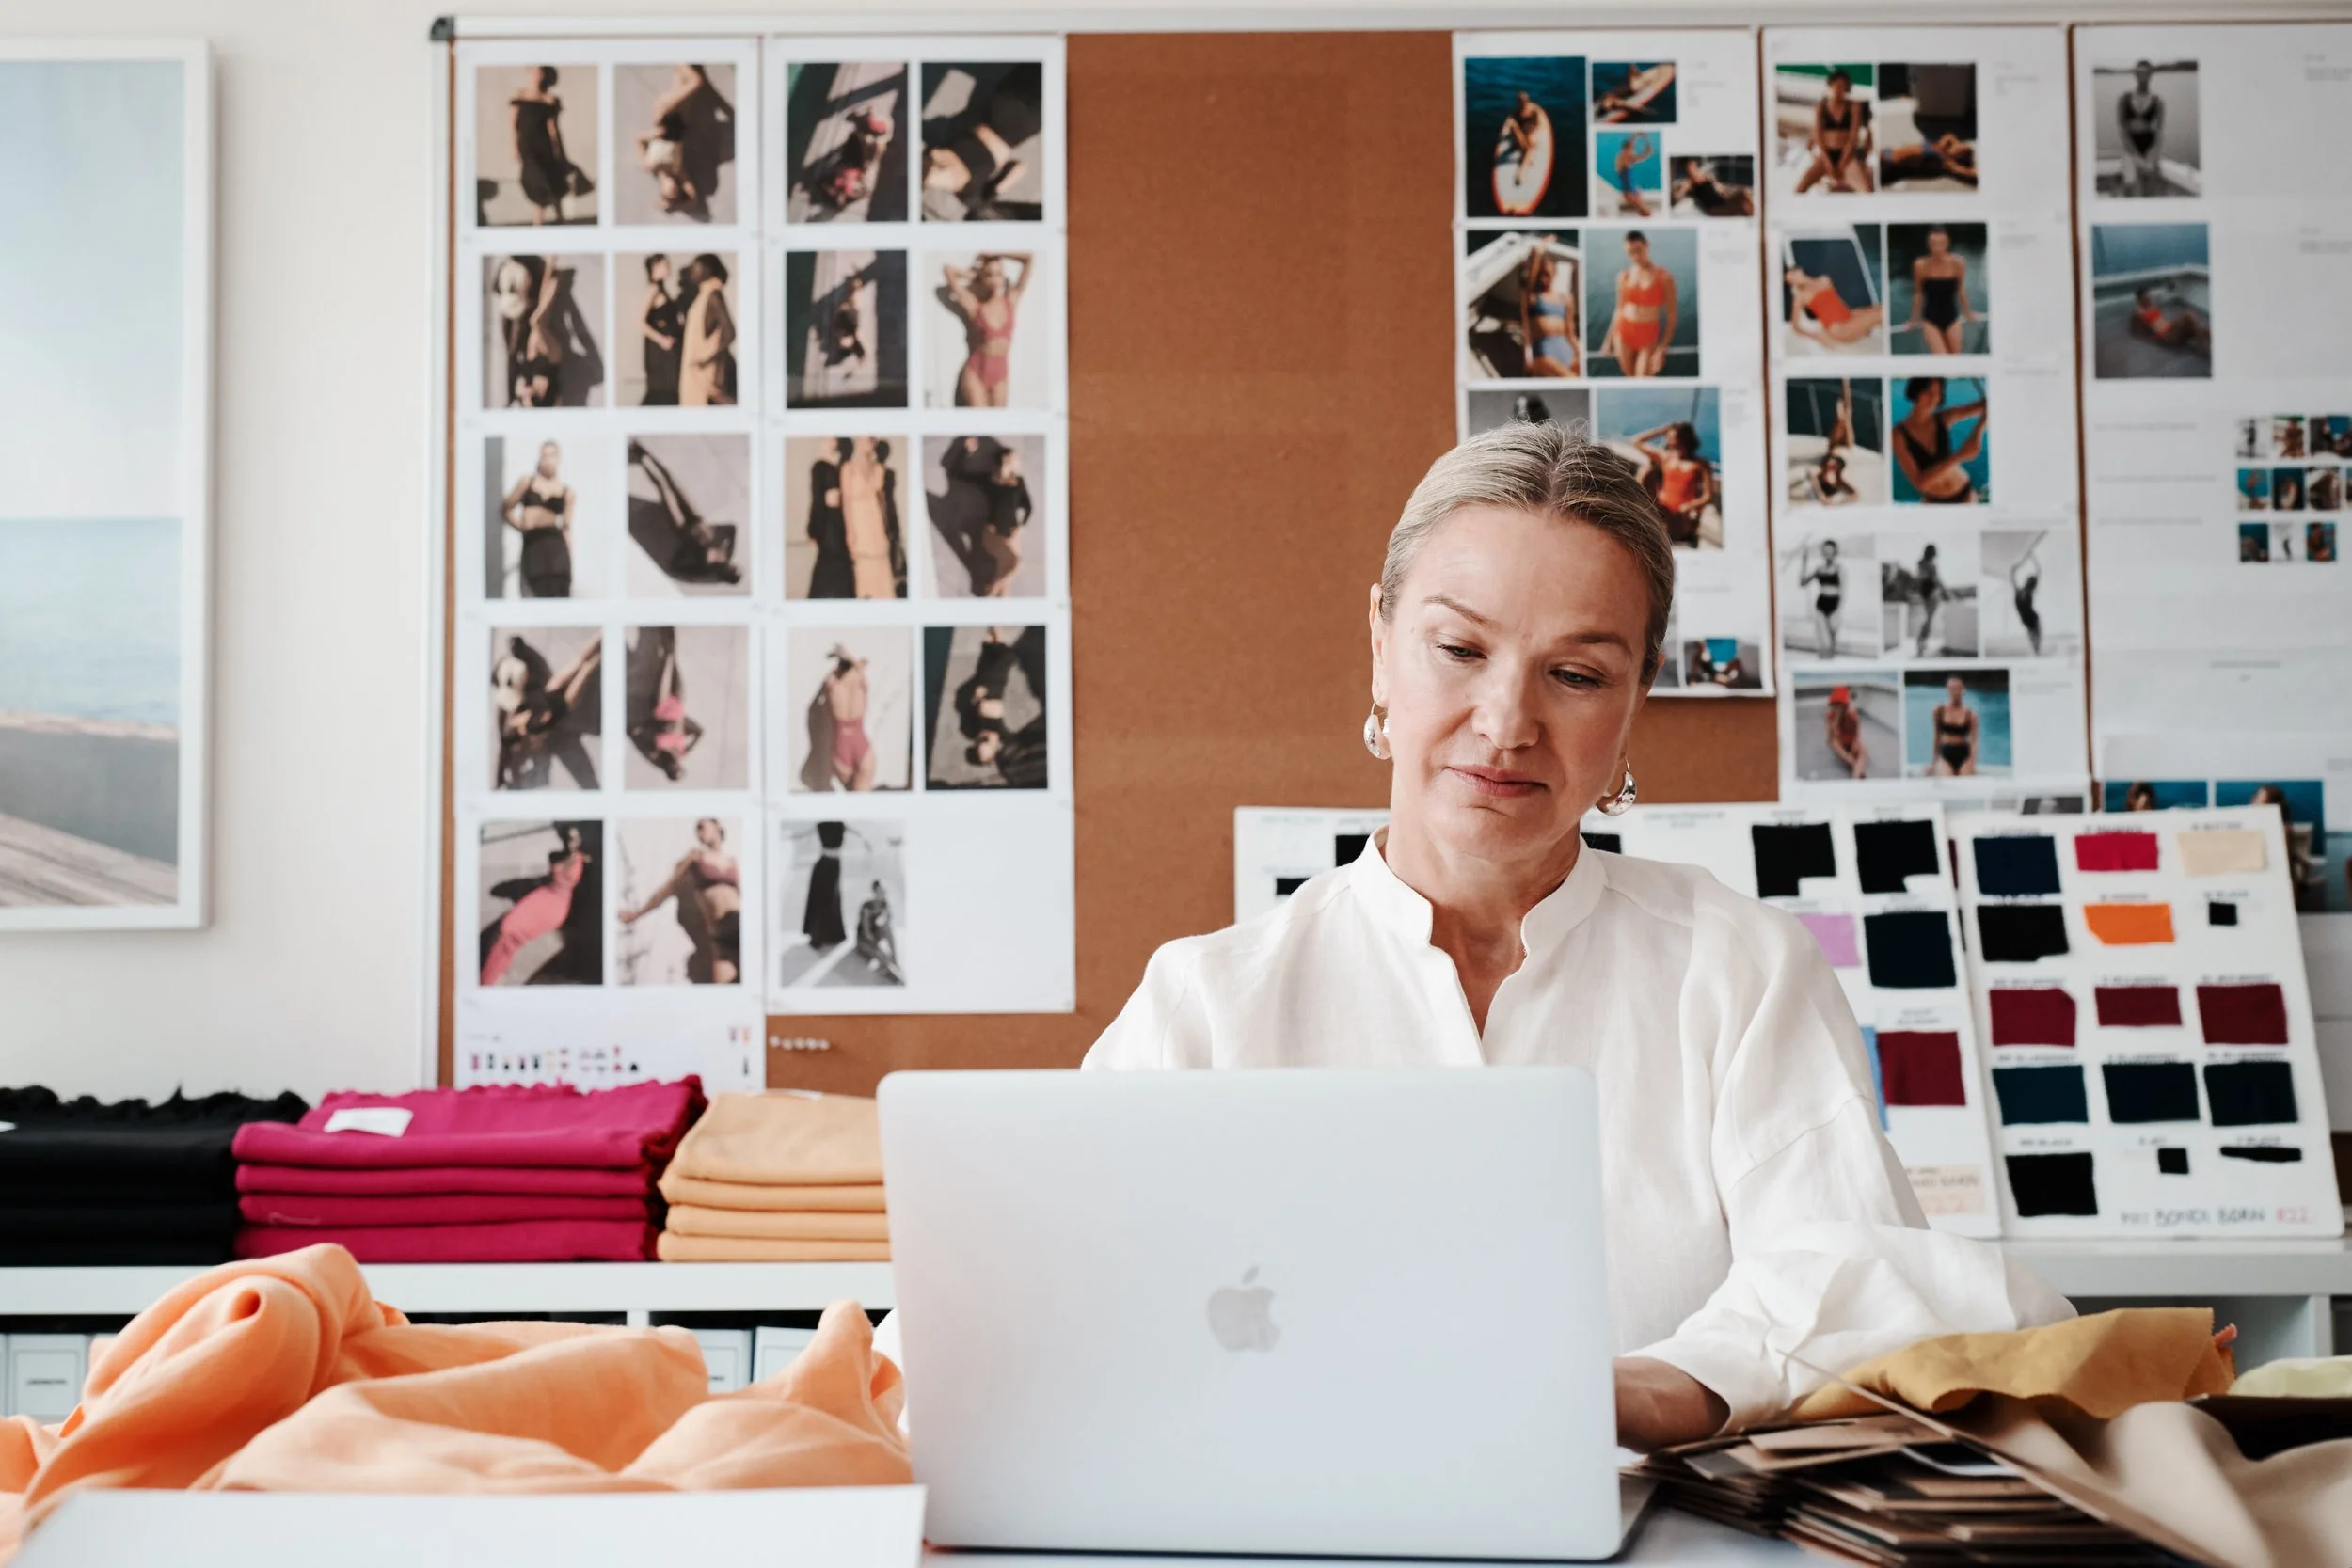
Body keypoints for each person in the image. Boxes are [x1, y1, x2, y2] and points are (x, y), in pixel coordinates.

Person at [1080, 422, 2071, 1451]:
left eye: (1579, 675)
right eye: (1459, 649)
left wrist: (1662, 1385)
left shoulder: (1737, 970)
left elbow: (1871, 1276)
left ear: (1637, 697)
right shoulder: (1206, 1002)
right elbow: (1057, 1302)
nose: (1506, 720)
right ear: (1379, 646)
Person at [619, 817, 741, 984]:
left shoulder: (733, 861)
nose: (698, 833)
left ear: (717, 826)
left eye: (701, 827)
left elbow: (745, 895)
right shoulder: (695, 857)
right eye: (696, 830)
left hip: (740, 923)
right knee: (724, 991)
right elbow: (667, 889)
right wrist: (637, 914)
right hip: (720, 931)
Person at [922, 67, 1041, 221]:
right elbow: (1019, 168)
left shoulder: (974, 198)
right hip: (1002, 108)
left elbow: (1018, 168)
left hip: (1018, 126)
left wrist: (996, 188)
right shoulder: (967, 192)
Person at [480, 824, 591, 986]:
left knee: (509, 930)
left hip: (555, 906)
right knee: (505, 929)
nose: (571, 842)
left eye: (574, 839)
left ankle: (488, 979)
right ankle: (494, 970)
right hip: (544, 894)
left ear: (580, 840)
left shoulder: (582, 858)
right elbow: (552, 875)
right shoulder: (559, 853)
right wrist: (537, 882)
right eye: (568, 838)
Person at [493, 633, 600, 790]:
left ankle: (605, 636)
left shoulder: (514, 736)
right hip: (555, 703)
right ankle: (605, 640)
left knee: (582, 664)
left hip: (554, 700)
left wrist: (503, 780)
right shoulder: (524, 739)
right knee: (585, 666)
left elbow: (506, 758)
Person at [629, 439, 741, 585]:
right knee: (674, 483)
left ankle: (641, 459)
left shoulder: (705, 569)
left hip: (682, 527)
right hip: (697, 518)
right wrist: (710, 531)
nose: (729, 565)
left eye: (730, 570)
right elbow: (733, 528)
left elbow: (676, 567)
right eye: (733, 567)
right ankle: (645, 454)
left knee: (665, 490)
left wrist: (686, 546)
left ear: (724, 575)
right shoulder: (726, 553)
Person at [636, 64, 728, 219]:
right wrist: (676, 206)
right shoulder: (679, 172)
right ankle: (684, 53)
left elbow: (638, 139)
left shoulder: (650, 166)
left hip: (663, 116)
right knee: (681, 78)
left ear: (662, 192)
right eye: (677, 193)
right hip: (680, 120)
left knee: (696, 82)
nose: (674, 190)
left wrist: (655, 135)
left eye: (669, 194)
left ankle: (678, 57)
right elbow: (693, 201)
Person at [944, 254, 1032, 407]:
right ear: (982, 278)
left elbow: (1029, 259)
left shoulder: (1011, 300)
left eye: (998, 274)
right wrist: (974, 275)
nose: (994, 280)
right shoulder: (974, 305)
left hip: (1001, 374)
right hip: (976, 372)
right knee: (976, 429)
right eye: (989, 275)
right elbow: (948, 271)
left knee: (997, 428)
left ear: (1004, 277)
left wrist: (994, 252)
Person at [508, 67, 585, 225]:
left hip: (545, 147)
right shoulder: (520, 96)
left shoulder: (549, 100)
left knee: (553, 181)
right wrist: (514, 148)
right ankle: (539, 225)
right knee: (536, 183)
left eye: (540, 72)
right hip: (528, 147)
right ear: (529, 73)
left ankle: (559, 220)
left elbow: (553, 129)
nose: (537, 75)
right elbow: (512, 125)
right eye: (534, 71)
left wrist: (559, 152)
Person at [500, 440, 576, 598]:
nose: (548, 459)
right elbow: (506, 509)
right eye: (544, 455)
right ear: (539, 458)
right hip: (533, 546)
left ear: (559, 458)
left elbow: (567, 528)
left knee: (558, 593)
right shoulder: (528, 482)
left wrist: (570, 562)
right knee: (533, 593)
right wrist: (521, 526)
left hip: (556, 548)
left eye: (552, 455)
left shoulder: (567, 491)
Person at [1894, 377, 1985, 505]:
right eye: (1928, 392)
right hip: (1934, 502)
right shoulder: (1898, 434)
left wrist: (1977, 433)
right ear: (1916, 391)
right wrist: (1960, 455)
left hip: (1965, 494)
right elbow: (1921, 483)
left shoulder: (1944, 418)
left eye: (1938, 393)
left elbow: (1987, 406)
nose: (1933, 399)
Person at [628, 629, 704, 783]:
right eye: (677, 768)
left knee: (665, 663)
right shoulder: (680, 752)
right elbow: (698, 731)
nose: (674, 766)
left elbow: (636, 733)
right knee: (672, 660)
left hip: (661, 704)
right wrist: (681, 723)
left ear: (667, 771)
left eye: (672, 770)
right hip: (677, 703)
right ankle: (668, 629)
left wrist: (656, 725)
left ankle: (657, 631)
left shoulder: (655, 755)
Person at [835, 436, 905, 599]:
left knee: (881, 566)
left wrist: (888, 528)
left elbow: (883, 504)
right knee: (863, 569)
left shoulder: (879, 469)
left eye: (872, 440)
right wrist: (850, 531)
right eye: (865, 439)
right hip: (859, 522)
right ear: (858, 441)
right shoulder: (848, 468)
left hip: (876, 523)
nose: (868, 443)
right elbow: (846, 502)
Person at [1601, 231, 1676, 379]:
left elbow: (1671, 316)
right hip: (1623, 334)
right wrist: (1608, 342)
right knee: (1630, 379)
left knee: (1644, 379)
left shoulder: (1664, 277)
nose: (1635, 257)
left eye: (1638, 251)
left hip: (1648, 336)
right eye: (1630, 253)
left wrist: (1662, 349)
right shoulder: (1623, 276)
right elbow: (1619, 309)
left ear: (1647, 247)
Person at [1628, 421, 1714, 546]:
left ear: (1683, 439)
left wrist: (1690, 505)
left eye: (1671, 437)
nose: (1667, 439)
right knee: (1646, 472)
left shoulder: (1701, 465)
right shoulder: (1666, 458)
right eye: (1667, 436)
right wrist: (1662, 430)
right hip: (1661, 508)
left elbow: (1707, 496)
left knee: (1665, 531)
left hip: (1682, 513)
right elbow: (1636, 441)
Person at [1795, 69, 1872, 193]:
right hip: (1826, 154)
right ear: (1830, 85)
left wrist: (1841, 163)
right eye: (1836, 84)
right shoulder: (1821, 106)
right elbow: (1818, 136)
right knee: (1799, 189)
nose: (1839, 88)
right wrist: (1828, 162)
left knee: (1867, 190)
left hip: (1847, 156)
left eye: (1843, 85)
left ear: (1847, 88)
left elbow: (1853, 138)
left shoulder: (1853, 106)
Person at [1905, 226, 1979, 355]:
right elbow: (1918, 294)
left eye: (1940, 244)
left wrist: (1968, 313)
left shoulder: (1958, 263)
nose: (1937, 248)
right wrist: (1913, 320)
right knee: (1941, 359)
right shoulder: (1920, 265)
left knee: (1955, 358)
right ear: (1928, 244)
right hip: (1930, 319)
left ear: (1947, 243)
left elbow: (1961, 290)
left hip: (1952, 317)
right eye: (1933, 244)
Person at [818, 644, 878, 792]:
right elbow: (860, 666)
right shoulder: (861, 680)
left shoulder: (832, 684)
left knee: (850, 802)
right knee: (862, 801)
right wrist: (853, 661)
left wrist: (839, 660)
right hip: (861, 743)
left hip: (841, 744)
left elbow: (820, 697)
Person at [678, 254, 736, 407]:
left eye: (696, 266)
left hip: (705, 375)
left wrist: (706, 361)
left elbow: (729, 333)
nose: (692, 270)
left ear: (707, 270)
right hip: (696, 372)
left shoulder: (713, 294)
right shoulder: (703, 295)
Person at [977, 444, 1033, 596]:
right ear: (1002, 459)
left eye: (1014, 459)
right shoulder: (990, 481)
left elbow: (1029, 508)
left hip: (1012, 534)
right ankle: (990, 594)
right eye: (1010, 458)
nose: (1013, 461)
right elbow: (961, 475)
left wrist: (1021, 528)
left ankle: (992, 598)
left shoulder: (1018, 482)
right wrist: (968, 453)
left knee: (1006, 578)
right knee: (1014, 563)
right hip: (993, 533)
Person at [1785, 263, 1883, 348]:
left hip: (1848, 317)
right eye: (1791, 280)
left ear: (1799, 270)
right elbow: (1796, 327)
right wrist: (1817, 338)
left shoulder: (1824, 280)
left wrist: (1858, 316)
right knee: (1882, 313)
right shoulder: (1801, 296)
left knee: (1881, 308)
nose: (1794, 280)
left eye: (1793, 275)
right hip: (1838, 329)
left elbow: (1837, 302)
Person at [1518, 248, 1578, 376]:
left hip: (1566, 350)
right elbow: (1528, 281)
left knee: (1584, 372)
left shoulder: (1565, 299)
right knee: (1572, 380)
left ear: (1555, 273)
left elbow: (1571, 333)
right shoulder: (1532, 297)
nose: (1543, 279)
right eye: (1541, 275)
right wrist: (1539, 252)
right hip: (1544, 354)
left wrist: (1579, 353)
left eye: (1547, 274)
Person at [637, 255, 683, 405]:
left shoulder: (661, 288)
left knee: (669, 391)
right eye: (665, 264)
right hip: (660, 353)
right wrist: (662, 340)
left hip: (667, 352)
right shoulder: (653, 288)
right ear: (655, 267)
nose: (669, 266)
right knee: (662, 391)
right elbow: (639, 322)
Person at [2117, 62, 2166, 196]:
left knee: (2149, 188)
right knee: (2130, 184)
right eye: (2139, 73)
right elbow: (2122, 131)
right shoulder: (2124, 99)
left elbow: (2160, 132)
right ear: (2135, 74)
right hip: (2130, 150)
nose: (2142, 77)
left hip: (2149, 150)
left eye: (2146, 73)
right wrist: (2137, 158)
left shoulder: (2158, 101)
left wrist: (2151, 157)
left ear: (2151, 75)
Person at [803, 821, 849, 950]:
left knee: (832, 901)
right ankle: (818, 936)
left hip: (833, 866)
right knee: (821, 901)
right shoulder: (822, 824)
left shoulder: (840, 824)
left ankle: (830, 935)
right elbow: (802, 834)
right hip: (823, 866)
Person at [2130, 286, 2211, 357]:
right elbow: (2135, 331)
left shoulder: (2151, 304)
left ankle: (2213, 341)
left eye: (2148, 296)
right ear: (2139, 299)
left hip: (2170, 328)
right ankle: (2201, 346)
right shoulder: (2138, 312)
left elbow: (2159, 319)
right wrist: (2151, 339)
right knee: (2188, 315)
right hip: (2166, 336)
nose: (2148, 298)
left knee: (2202, 329)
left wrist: (2173, 324)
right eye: (2145, 297)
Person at [1881, 135, 1979, 189]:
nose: (1961, 146)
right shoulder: (1941, 145)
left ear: (1959, 158)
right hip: (1889, 154)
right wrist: (1947, 144)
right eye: (1961, 145)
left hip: (1892, 165)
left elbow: (1973, 174)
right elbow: (1949, 136)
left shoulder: (1947, 163)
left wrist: (1957, 168)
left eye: (1963, 151)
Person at [1799, 538, 1844, 657]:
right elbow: (1803, 583)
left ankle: (1830, 663)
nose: (1828, 553)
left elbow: (1843, 592)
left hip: (1834, 605)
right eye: (1825, 550)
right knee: (1823, 642)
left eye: (1830, 550)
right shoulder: (1819, 569)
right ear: (1822, 552)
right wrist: (1804, 562)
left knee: (1832, 640)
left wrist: (1838, 610)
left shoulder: (1840, 569)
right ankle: (1823, 660)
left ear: (1835, 552)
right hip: (1821, 605)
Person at [855, 879, 905, 984]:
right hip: (863, 940)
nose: (883, 893)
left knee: (887, 929)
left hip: (874, 935)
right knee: (882, 956)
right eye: (880, 891)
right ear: (875, 892)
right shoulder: (867, 906)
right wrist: (878, 950)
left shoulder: (884, 904)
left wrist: (887, 912)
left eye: (884, 890)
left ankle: (894, 958)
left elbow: (887, 923)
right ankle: (890, 973)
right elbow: (866, 932)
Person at [1931, 676, 1979, 777]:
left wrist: (1972, 763)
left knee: (1965, 781)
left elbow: (1973, 742)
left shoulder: (1971, 715)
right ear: (1947, 690)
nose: (1954, 692)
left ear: (1963, 690)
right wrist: (1933, 762)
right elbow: (1936, 737)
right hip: (1945, 753)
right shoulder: (1939, 711)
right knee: (1948, 780)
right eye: (1951, 689)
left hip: (1963, 754)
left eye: (1957, 688)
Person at [1672, 157, 1752, 217]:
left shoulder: (1707, 177)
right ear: (1687, 170)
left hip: (1722, 201)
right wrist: (1683, 188)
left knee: (1744, 192)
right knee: (1744, 207)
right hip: (1715, 209)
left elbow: (1720, 188)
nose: (1694, 169)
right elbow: (1677, 196)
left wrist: (1725, 191)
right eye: (1691, 167)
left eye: (1695, 166)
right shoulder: (1690, 183)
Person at [1908, 542, 1947, 656]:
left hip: (1924, 594)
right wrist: (1945, 591)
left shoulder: (1920, 564)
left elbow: (1919, 579)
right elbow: (1937, 581)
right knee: (1929, 620)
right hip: (1932, 594)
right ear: (1933, 553)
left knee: (1928, 619)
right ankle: (1921, 642)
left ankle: (1921, 643)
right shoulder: (1931, 565)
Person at [1824, 683, 1867, 778]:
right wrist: (1834, 724)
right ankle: (1854, 764)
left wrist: (1854, 745)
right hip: (1840, 743)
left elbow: (1856, 736)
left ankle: (1856, 773)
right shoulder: (1830, 716)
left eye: (1841, 705)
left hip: (1851, 740)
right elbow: (1829, 740)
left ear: (1845, 705)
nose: (1838, 708)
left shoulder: (1852, 716)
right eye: (1836, 705)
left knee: (1862, 750)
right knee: (1835, 744)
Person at [1611, 131, 1656, 216]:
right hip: (1629, 192)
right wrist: (1647, 152)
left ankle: (1645, 213)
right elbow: (1640, 156)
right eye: (1632, 148)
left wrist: (1637, 135)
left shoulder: (1626, 156)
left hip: (1632, 188)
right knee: (1644, 210)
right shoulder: (1623, 156)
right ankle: (1646, 214)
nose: (1633, 150)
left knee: (1643, 208)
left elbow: (1637, 154)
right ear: (1626, 149)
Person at [2010, 545, 2043, 656]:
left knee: (2035, 639)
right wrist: (2032, 556)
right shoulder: (2026, 592)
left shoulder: (2021, 592)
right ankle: (2037, 653)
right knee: (2036, 639)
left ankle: (2037, 653)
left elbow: (2012, 575)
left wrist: (2031, 557)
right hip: (2031, 619)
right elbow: (2039, 571)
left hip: (2028, 619)